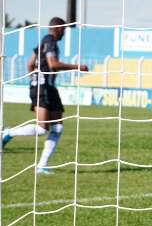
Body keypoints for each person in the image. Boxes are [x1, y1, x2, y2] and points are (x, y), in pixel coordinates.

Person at [2, 17, 89, 174]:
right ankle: (8, 133)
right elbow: (53, 64)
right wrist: (78, 66)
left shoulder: (43, 42)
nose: (64, 32)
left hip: (48, 87)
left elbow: (30, 63)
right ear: (57, 28)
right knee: (42, 129)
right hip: (43, 89)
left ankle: (42, 165)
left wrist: (34, 79)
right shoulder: (50, 41)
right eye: (63, 29)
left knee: (58, 127)